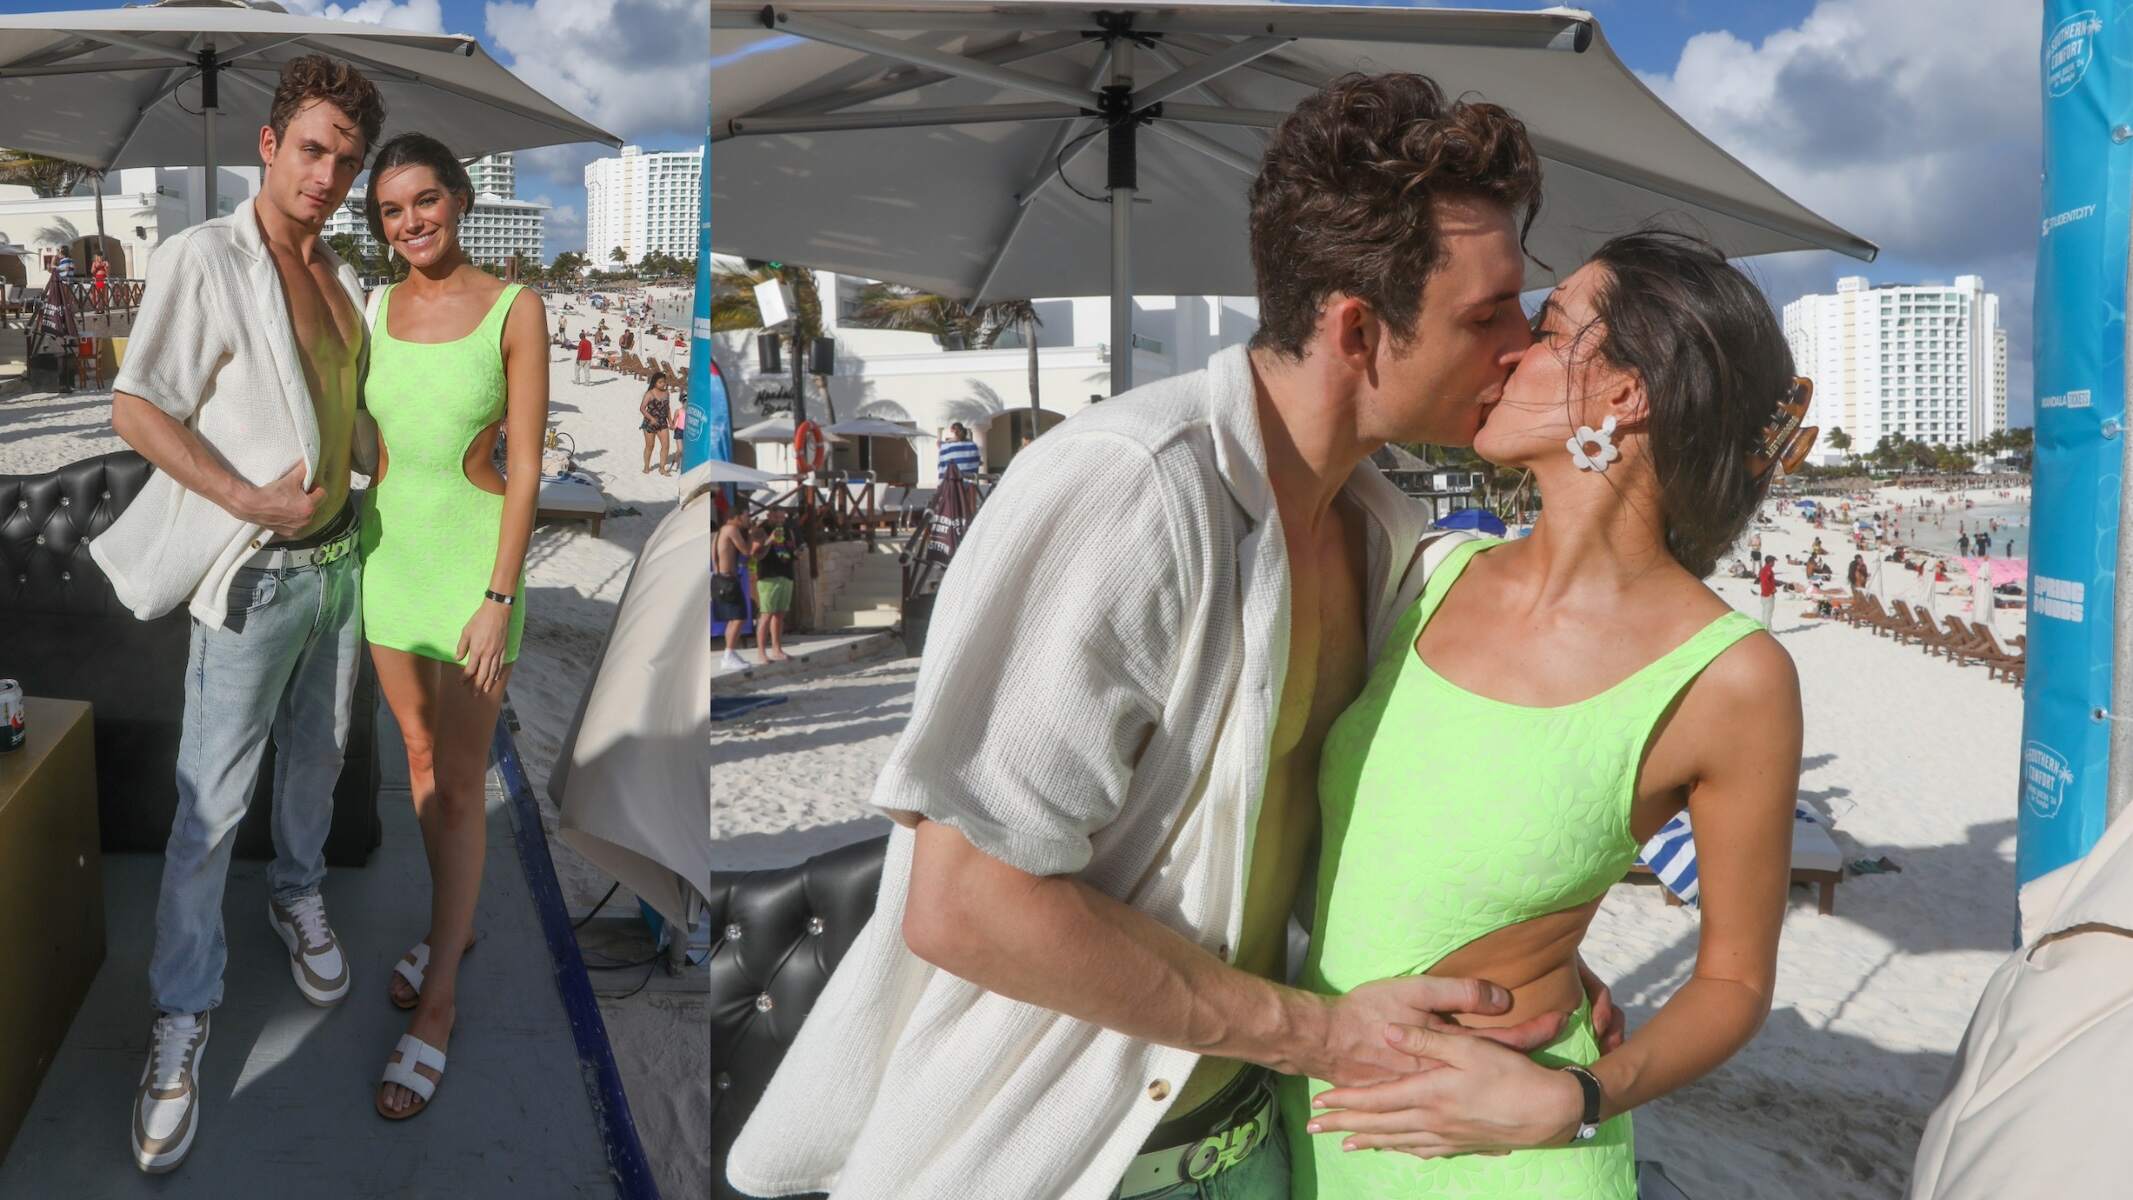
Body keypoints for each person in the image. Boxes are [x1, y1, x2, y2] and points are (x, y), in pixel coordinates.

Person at [728, 72, 1628, 1200]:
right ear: (1359, 327)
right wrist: (1319, 1035)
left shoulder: (1377, 525)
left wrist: (1532, 956)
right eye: (1487, 312)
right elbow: (969, 905)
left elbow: (1335, 831)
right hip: (1059, 1156)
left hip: (1258, 1141)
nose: (1518, 345)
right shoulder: (1132, 495)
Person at [1283, 229, 1808, 1198]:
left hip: (1503, 1155)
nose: (1511, 347)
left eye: (1552, 326)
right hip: (1316, 1118)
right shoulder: (1431, 569)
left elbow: (1734, 982)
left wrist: (1576, 1099)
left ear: (1626, 392)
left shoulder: (1732, 678)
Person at [93, 55, 384, 1175]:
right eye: (312, 150)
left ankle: (300, 895)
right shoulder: (202, 256)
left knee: (318, 758)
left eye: (346, 161)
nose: (327, 176)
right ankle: (182, 1022)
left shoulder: (339, 271)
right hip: (258, 572)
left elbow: (335, 401)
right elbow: (134, 405)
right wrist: (242, 495)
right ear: (268, 145)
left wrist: (377, 452)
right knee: (210, 808)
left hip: (342, 562)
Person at [354, 131, 549, 1120]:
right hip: (389, 565)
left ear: (460, 200)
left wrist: (500, 595)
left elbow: (524, 467)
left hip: (473, 575)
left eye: (424, 200)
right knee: (421, 765)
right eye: (391, 210)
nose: (410, 222)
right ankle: (451, 922)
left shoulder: (517, 307)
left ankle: (438, 1002)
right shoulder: (376, 308)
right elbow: (364, 440)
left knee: (464, 787)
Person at [751, 507, 797, 662]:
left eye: (782, 518)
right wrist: (769, 541)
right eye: (776, 517)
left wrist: (797, 552)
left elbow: (792, 548)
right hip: (768, 576)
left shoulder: (787, 529)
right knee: (766, 614)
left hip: (786, 573)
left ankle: (777, 649)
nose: (779, 521)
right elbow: (755, 554)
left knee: (780, 614)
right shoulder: (760, 531)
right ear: (769, 515)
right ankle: (761, 652)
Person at [716, 511, 758, 670]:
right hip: (727, 580)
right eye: (747, 516)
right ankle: (728, 654)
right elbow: (746, 551)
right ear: (737, 517)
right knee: (739, 617)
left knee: (734, 619)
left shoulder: (722, 530)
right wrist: (752, 535)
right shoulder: (731, 529)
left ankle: (730, 653)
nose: (749, 520)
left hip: (722, 578)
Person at [639, 371, 673, 475]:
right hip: (650, 423)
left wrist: (670, 421)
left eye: (664, 382)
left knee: (666, 446)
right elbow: (642, 408)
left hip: (663, 423)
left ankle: (662, 468)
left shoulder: (667, 393)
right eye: (660, 382)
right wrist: (651, 418)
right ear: (655, 383)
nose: (663, 384)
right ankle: (646, 466)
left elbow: (667, 408)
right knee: (650, 446)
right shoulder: (649, 394)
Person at [1758, 553, 1780, 628]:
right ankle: (1767, 630)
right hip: (1768, 594)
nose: (1774, 563)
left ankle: (1767, 629)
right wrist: (1772, 589)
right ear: (1770, 562)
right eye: (1773, 561)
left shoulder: (1763, 569)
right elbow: (1765, 581)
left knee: (1765, 613)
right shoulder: (1768, 570)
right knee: (1768, 613)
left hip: (1764, 594)